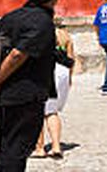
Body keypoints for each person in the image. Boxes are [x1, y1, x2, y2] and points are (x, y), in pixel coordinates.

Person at [0, 0, 59, 172]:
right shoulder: (42, 21)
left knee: (8, 145)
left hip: (4, 93)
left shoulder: (10, 17)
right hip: (24, 92)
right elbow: (17, 54)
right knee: (18, 147)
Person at [35, 23, 75, 160]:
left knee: (38, 110)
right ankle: (56, 146)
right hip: (62, 71)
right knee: (52, 111)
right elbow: (71, 59)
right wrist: (70, 78)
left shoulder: (40, 34)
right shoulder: (65, 36)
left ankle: (39, 148)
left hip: (46, 70)